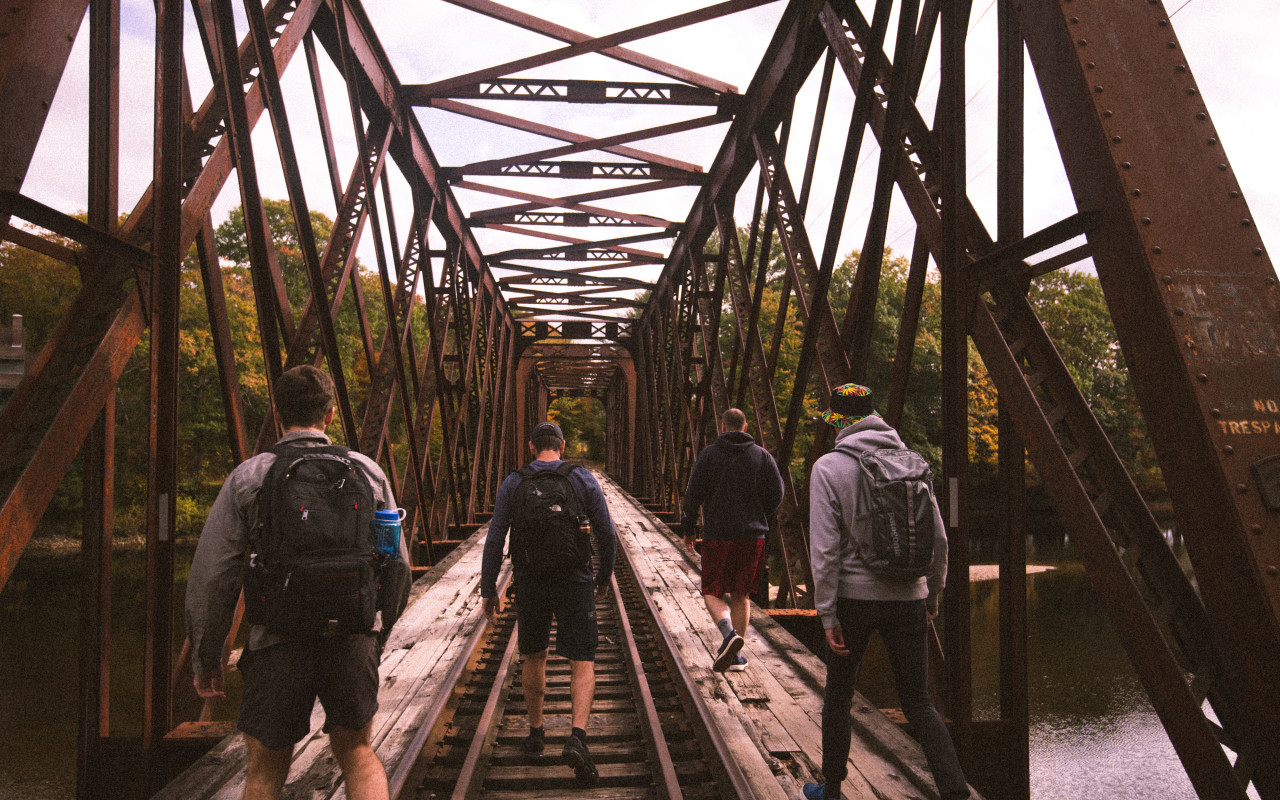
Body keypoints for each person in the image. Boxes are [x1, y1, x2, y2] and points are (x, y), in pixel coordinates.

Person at [186, 365, 398, 800]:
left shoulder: (251, 476)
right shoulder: (367, 471)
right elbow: (396, 565)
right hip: (352, 639)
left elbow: (214, 575)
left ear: (277, 413)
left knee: (264, 772)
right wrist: (376, 633)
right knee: (358, 753)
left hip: (277, 642)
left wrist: (209, 655)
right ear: (331, 414)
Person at [803, 384, 970, 800]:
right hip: (909, 598)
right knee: (918, 702)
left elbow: (824, 549)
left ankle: (833, 791)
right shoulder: (912, 462)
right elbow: (940, 540)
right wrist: (932, 593)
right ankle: (955, 792)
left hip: (854, 602)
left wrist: (827, 613)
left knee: (839, 695)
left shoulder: (828, 467)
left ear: (840, 421)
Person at [481, 421, 617, 786]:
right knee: (582, 659)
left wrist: (488, 588)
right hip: (575, 578)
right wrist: (603, 577)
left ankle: (536, 732)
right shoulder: (582, 478)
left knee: (534, 654)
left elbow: (495, 537)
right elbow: (607, 532)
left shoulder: (515, 482)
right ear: (562, 445)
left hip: (530, 580)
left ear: (530, 446)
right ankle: (577, 736)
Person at [680, 407, 784, 672]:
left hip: (718, 535)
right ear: (745, 427)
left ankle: (728, 635)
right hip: (752, 536)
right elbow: (778, 494)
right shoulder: (762, 456)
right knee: (742, 594)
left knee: (713, 590)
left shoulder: (709, 455)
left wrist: (689, 529)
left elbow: (693, 495)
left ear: (723, 427)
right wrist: (760, 515)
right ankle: (736, 657)